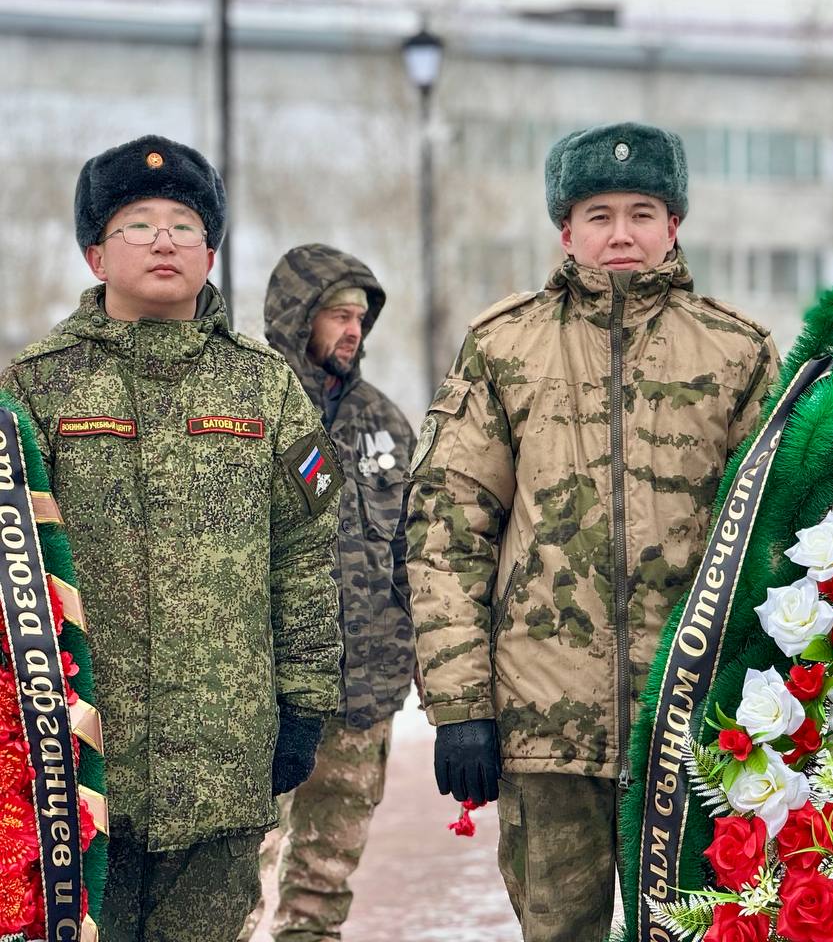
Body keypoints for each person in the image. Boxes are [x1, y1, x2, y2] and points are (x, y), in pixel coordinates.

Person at [407, 121, 780, 941]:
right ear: (565, 229)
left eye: (642, 211)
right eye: (599, 213)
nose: (622, 233)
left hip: (693, 724)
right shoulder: (504, 347)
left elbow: (776, 539)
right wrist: (460, 705)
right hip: (545, 727)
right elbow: (446, 529)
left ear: (673, 225)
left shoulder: (737, 352)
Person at [0, 135, 342, 941]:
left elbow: (304, 554)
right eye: (138, 225)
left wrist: (305, 707)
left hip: (225, 762)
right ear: (94, 255)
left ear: (212, 251)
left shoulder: (264, 386)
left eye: (184, 226)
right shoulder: (34, 388)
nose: (164, 240)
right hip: (76, 773)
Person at [240, 244, 416, 941]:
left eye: (362, 318)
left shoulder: (384, 422)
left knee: (322, 886)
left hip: (362, 695)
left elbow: (413, 551)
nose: (353, 330)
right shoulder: (246, 404)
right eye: (339, 314)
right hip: (264, 693)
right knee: (233, 886)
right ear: (297, 316)